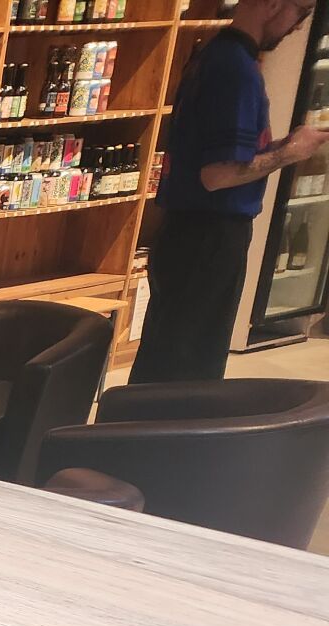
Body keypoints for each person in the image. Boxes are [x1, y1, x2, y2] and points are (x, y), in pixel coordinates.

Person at [131, 0, 329, 383]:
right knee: (190, 367)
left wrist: (281, 147)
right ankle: (165, 424)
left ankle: (139, 421)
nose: (299, 26)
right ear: (273, 4)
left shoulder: (217, 54)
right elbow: (217, 176)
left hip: (189, 233)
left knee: (167, 356)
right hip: (209, 237)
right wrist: (290, 152)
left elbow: (219, 159)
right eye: (301, 12)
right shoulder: (235, 70)